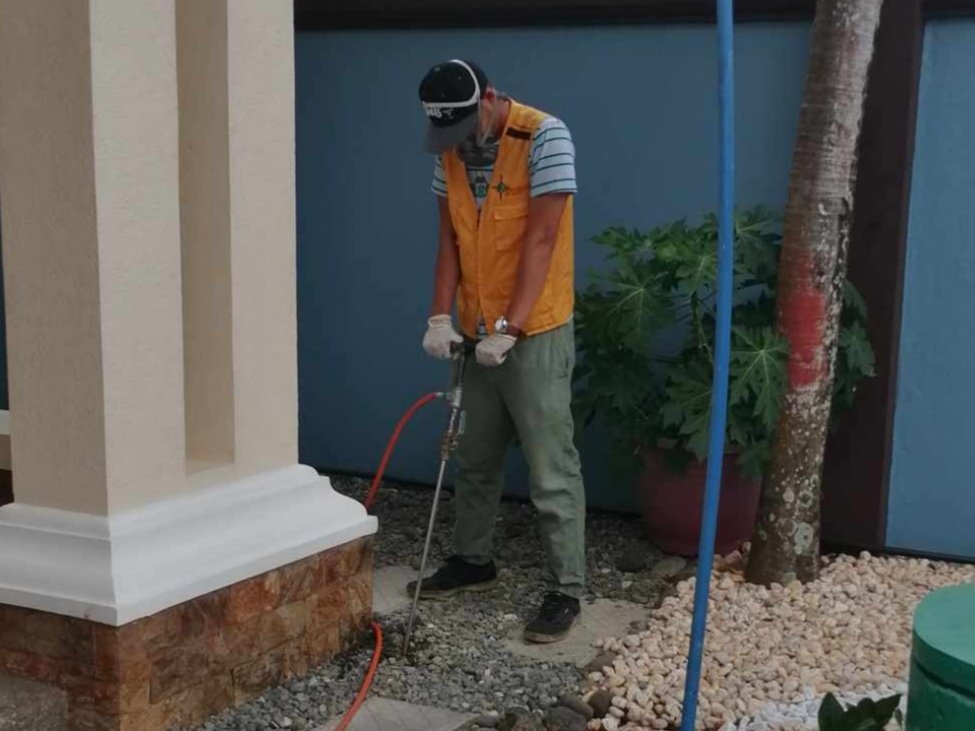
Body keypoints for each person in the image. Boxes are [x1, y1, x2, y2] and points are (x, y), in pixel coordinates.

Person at [409, 59, 586, 644]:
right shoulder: (449, 150)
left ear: (487, 98)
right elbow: (448, 241)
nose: (455, 145)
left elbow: (541, 238)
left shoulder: (544, 136)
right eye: (446, 135)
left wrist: (510, 326)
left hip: (533, 333)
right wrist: (440, 315)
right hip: (476, 325)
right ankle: (472, 561)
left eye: (462, 127)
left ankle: (567, 588)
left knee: (549, 465)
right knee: (474, 456)